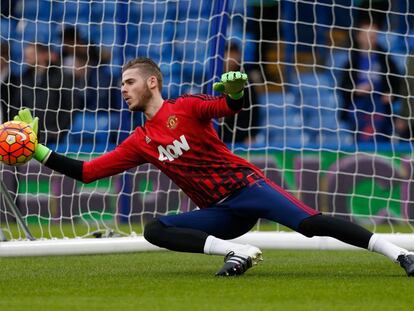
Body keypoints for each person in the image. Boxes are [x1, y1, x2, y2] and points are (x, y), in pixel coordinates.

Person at [13, 57, 414, 277]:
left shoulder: (185, 107)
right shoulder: (139, 141)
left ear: (152, 83)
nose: (123, 89)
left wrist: (238, 90)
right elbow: (88, 173)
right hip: (221, 214)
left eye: (130, 82)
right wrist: (37, 151)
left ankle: (398, 254)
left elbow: (228, 105)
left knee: (311, 224)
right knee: (156, 230)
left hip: (248, 187)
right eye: (121, 84)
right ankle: (238, 251)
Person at [339, 20, 402, 143]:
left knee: (379, 139)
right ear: (359, 37)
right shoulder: (352, 61)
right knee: (362, 140)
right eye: (368, 35)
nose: (372, 38)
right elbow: (343, 88)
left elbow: (397, 84)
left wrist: (391, 94)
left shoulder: (386, 60)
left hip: (381, 108)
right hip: (358, 108)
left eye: (374, 35)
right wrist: (356, 90)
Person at [8, 42, 80, 144]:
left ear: (43, 55)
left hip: (53, 135)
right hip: (27, 135)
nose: (27, 58)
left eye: (31, 54)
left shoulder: (61, 78)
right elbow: (16, 106)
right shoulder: (23, 79)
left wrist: (59, 129)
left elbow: (71, 105)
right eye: (26, 55)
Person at [219, 43, 260, 144]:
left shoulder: (246, 80)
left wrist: (252, 134)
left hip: (241, 134)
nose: (230, 58)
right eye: (228, 54)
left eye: (233, 54)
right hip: (218, 134)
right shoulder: (212, 78)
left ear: (238, 56)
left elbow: (254, 108)